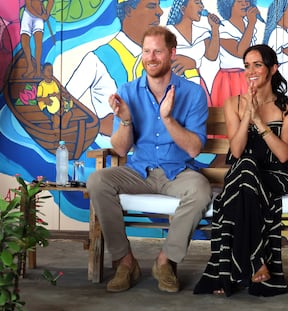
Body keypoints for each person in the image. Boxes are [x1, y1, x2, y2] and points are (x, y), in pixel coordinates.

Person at [86, 26, 212, 294]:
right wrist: (126, 120)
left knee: (200, 190)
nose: (151, 57)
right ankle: (125, 262)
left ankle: (166, 261)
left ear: (171, 53)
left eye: (157, 51)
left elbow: (194, 150)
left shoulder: (193, 93)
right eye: (146, 51)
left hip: (177, 172)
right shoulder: (128, 91)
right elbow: (120, 150)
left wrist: (168, 119)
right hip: (138, 171)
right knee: (97, 180)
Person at [193, 44, 288, 297]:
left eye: (257, 65)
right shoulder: (233, 103)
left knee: (242, 179)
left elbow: (284, 155)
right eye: (246, 66)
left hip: (274, 176)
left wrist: (259, 121)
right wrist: (246, 117)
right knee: (245, 168)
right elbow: (238, 150)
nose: (250, 71)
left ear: (272, 69)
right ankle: (256, 262)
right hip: (244, 175)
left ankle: (227, 273)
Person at [66, 0, 164, 137]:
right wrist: (97, 125)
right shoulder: (97, 59)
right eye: (151, 6)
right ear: (129, 10)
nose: (160, 12)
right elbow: (65, 104)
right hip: (112, 153)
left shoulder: (160, 61)